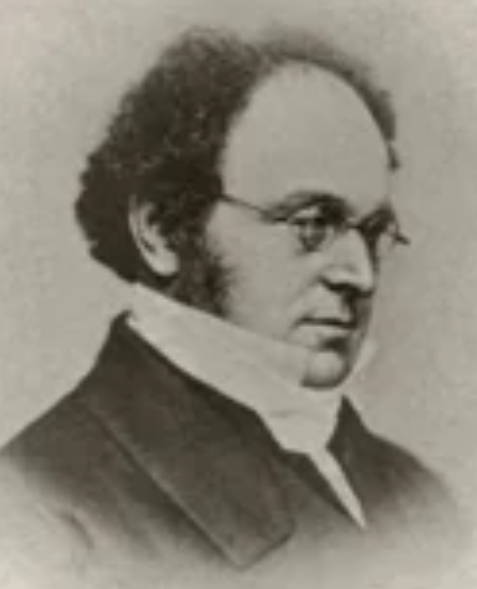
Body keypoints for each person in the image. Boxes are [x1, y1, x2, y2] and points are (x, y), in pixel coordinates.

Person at [0, 25, 465, 589]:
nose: (360, 275)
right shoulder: (38, 514)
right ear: (162, 230)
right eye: (312, 224)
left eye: (373, 232)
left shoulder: (420, 498)